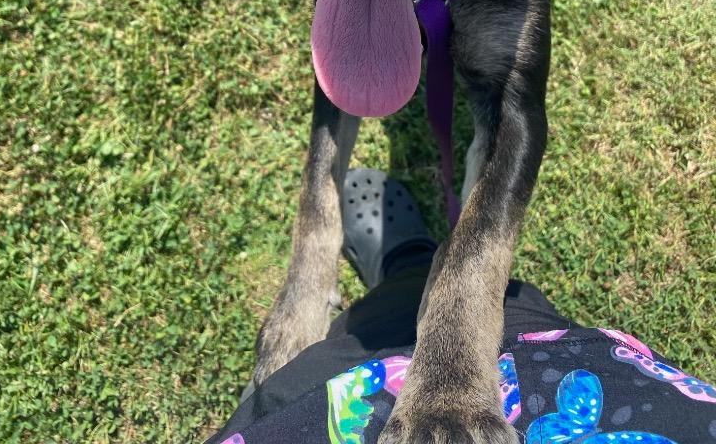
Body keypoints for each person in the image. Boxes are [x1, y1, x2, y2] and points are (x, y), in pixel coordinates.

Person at [208, 169, 715, 444]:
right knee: (519, 310)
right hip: (588, 381)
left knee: (366, 330)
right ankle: (423, 266)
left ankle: (406, 263)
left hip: (321, 409)